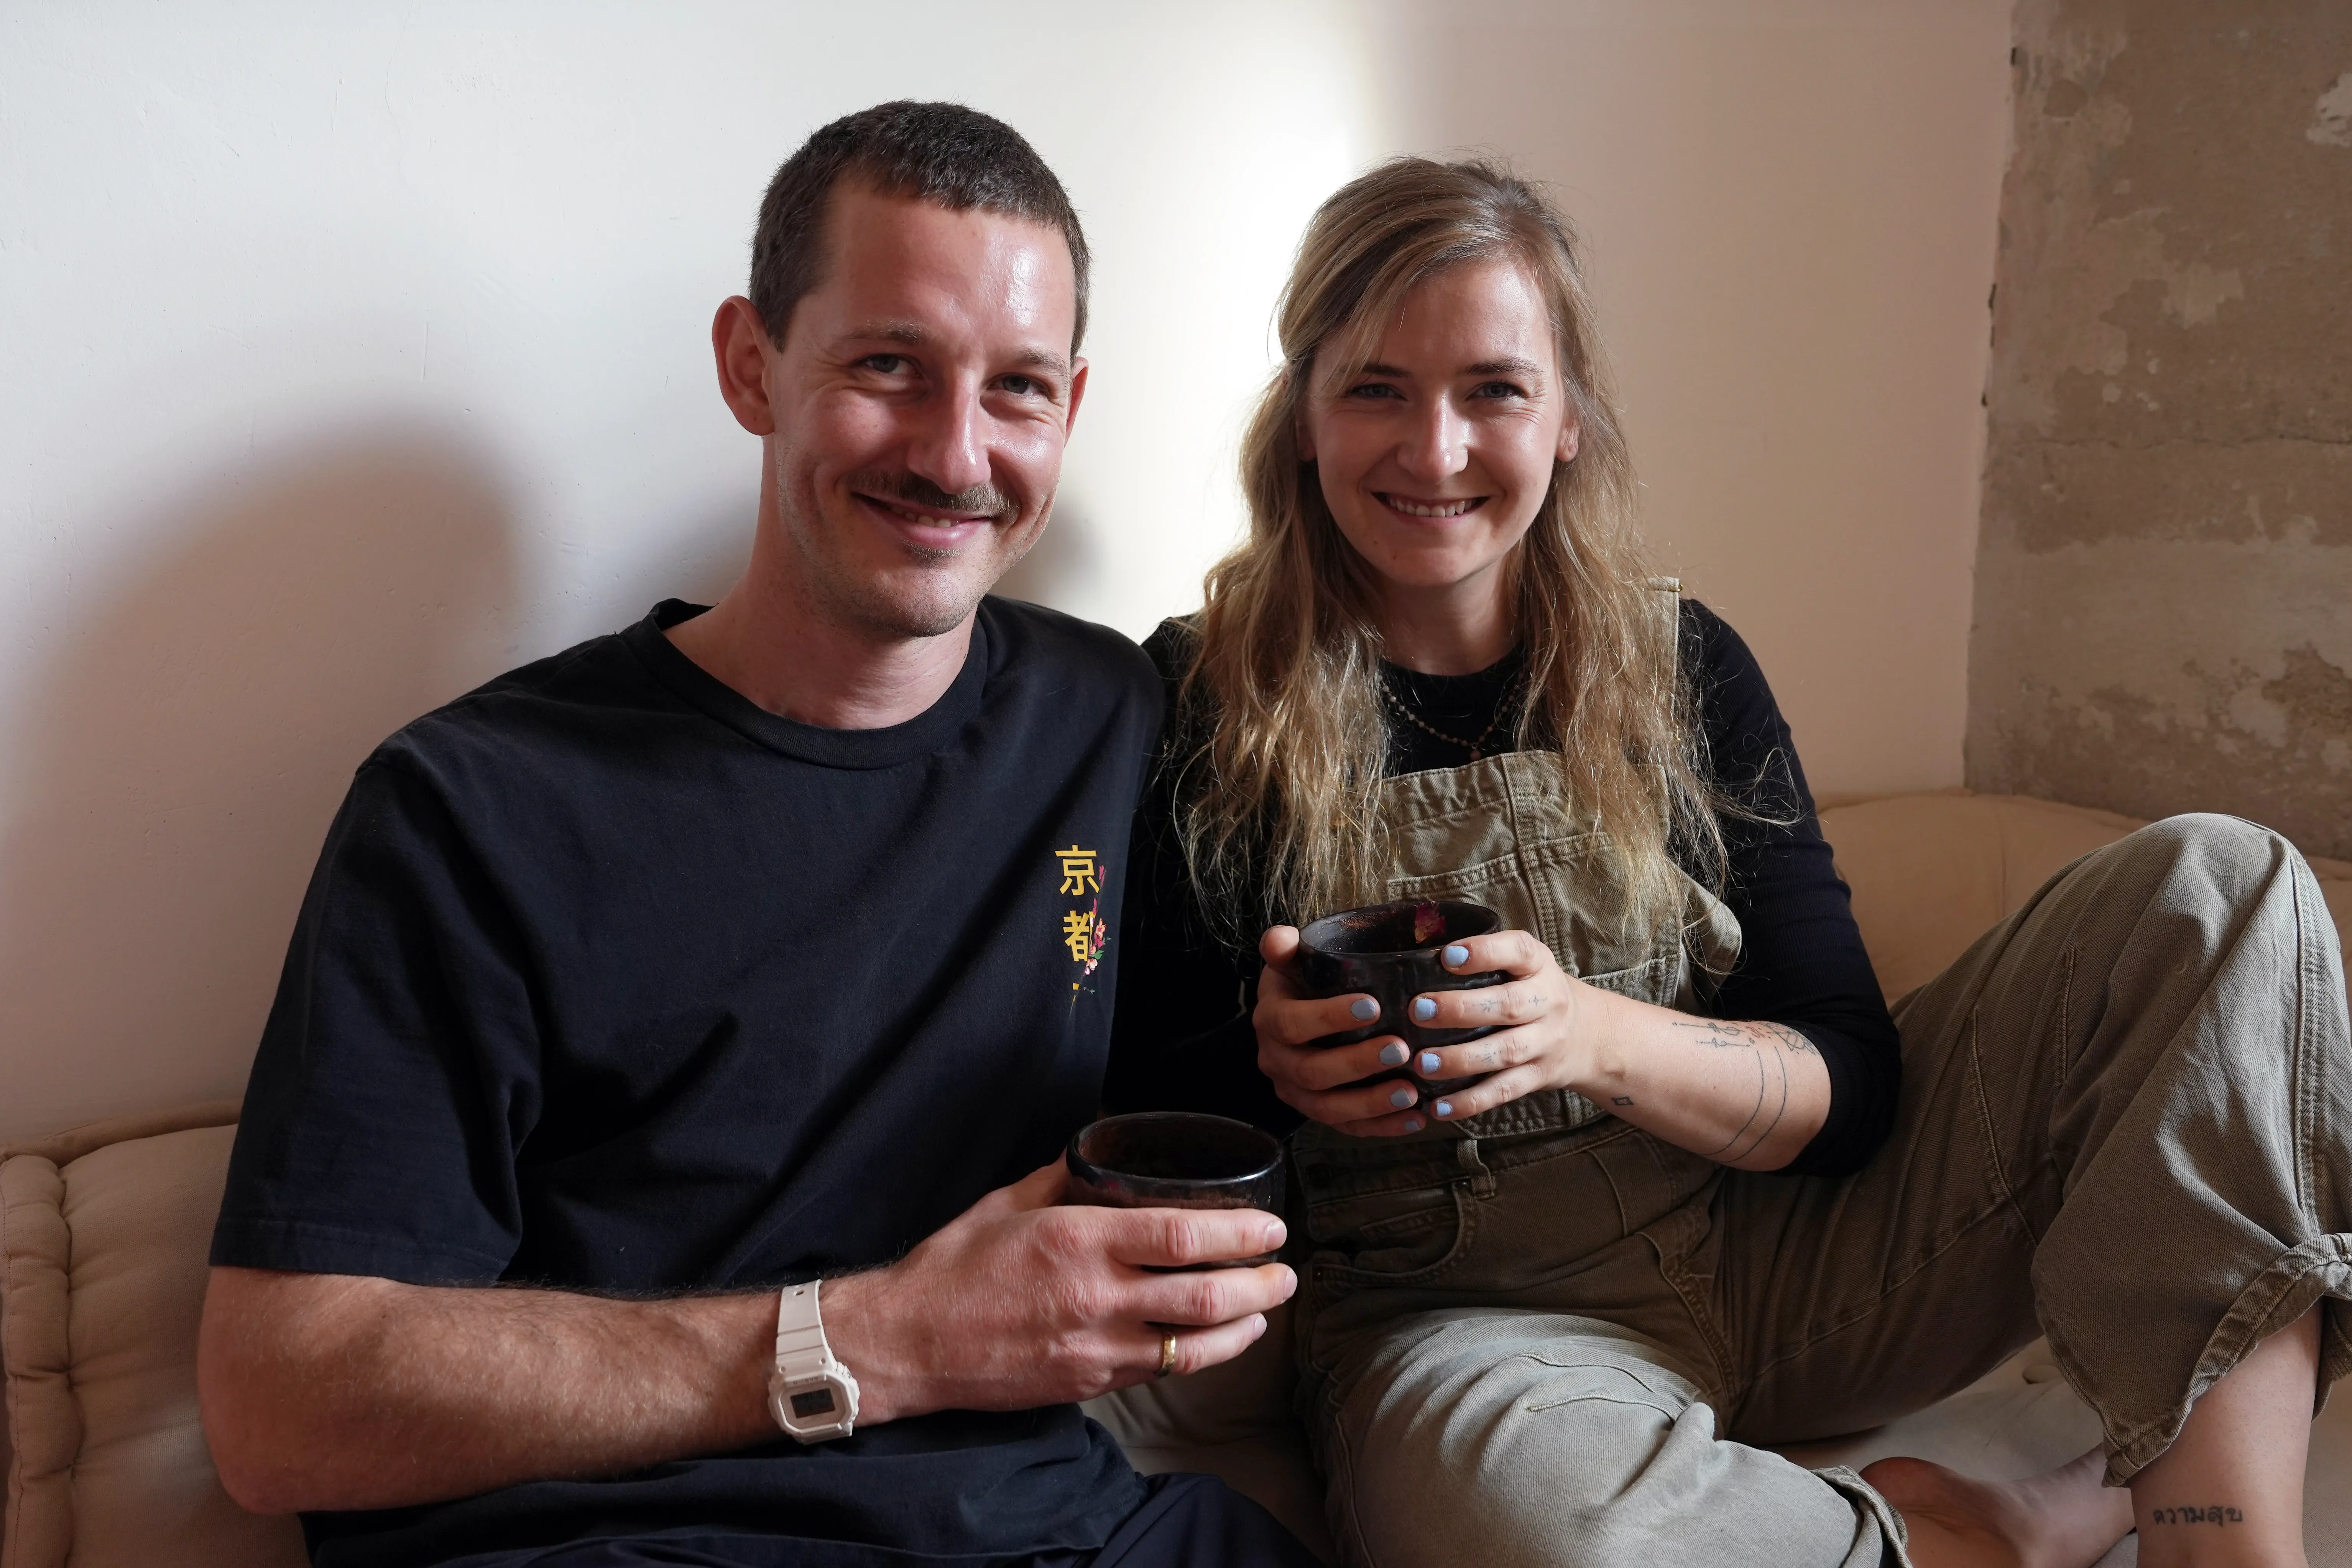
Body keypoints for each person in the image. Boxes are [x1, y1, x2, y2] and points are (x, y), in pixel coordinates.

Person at [1109, 156, 2352, 1568]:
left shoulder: (1685, 668)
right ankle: (2001, 1529)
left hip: (1790, 1258)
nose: (1436, 450)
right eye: (1376, 388)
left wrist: (1583, 1032)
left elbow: (1851, 1093)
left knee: (2223, 883)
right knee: (1547, 1539)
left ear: (1569, 417)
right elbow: (1141, 1127)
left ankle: (2222, 1545)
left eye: (1495, 390)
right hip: (1461, 1336)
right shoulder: (1197, 702)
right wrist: (1264, 1072)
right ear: (1304, 415)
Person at [196, 101, 1318, 1568]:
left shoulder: (1102, 708)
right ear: (752, 365)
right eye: (888, 368)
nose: (953, 453)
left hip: (1049, 1528)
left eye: (1017, 390)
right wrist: (880, 1343)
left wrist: (1309, 1057)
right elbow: (276, 1403)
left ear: (1071, 409)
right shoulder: (473, 805)